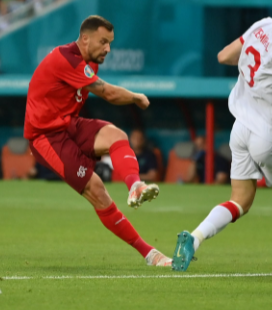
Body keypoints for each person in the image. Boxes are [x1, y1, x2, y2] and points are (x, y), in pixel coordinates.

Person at [173, 0, 272, 272]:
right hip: (270, 136)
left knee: (240, 200)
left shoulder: (263, 26)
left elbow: (224, 55)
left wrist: (257, 70)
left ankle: (194, 238)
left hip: (241, 129)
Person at [23, 15, 172, 268]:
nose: (108, 49)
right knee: (97, 190)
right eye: (103, 42)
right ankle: (150, 254)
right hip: (46, 137)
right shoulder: (67, 59)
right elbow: (109, 93)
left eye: (110, 43)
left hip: (68, 123)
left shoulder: (88, 61)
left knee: (117, 135)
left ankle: (135, 186)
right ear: (85, 38)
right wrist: (136, 97)